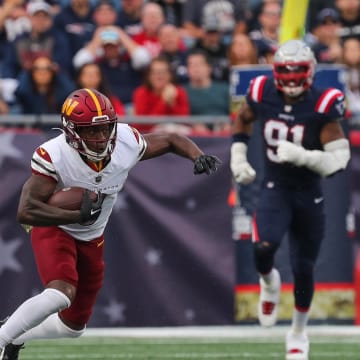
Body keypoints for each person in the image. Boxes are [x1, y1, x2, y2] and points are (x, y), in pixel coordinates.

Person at [0, 88, 221, 360]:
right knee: (61, 292)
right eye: (91, 131)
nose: (101, 137)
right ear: (71, 131)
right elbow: (26, 212)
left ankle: (14, 335)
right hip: (55, 227)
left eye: (105, 128)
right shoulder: (55, 155)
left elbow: (171, 139)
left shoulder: (126, 142)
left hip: (92, 236)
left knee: (72, 328)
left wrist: (196, 155)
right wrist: (73, 215)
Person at [230, 40, 350, 360]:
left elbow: (339, 160)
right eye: (287, 72)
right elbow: (243, 118)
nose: (293, 79)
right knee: (263, 247)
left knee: (303, 268)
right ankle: (269, 283)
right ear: (276, 72)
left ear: (309, 72)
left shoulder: (323, 103)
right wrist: (238, 157)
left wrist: (303, 156)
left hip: (308, 193)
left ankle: (298, 333)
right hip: (276, 185)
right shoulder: (261, 91)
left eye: (299, 72)